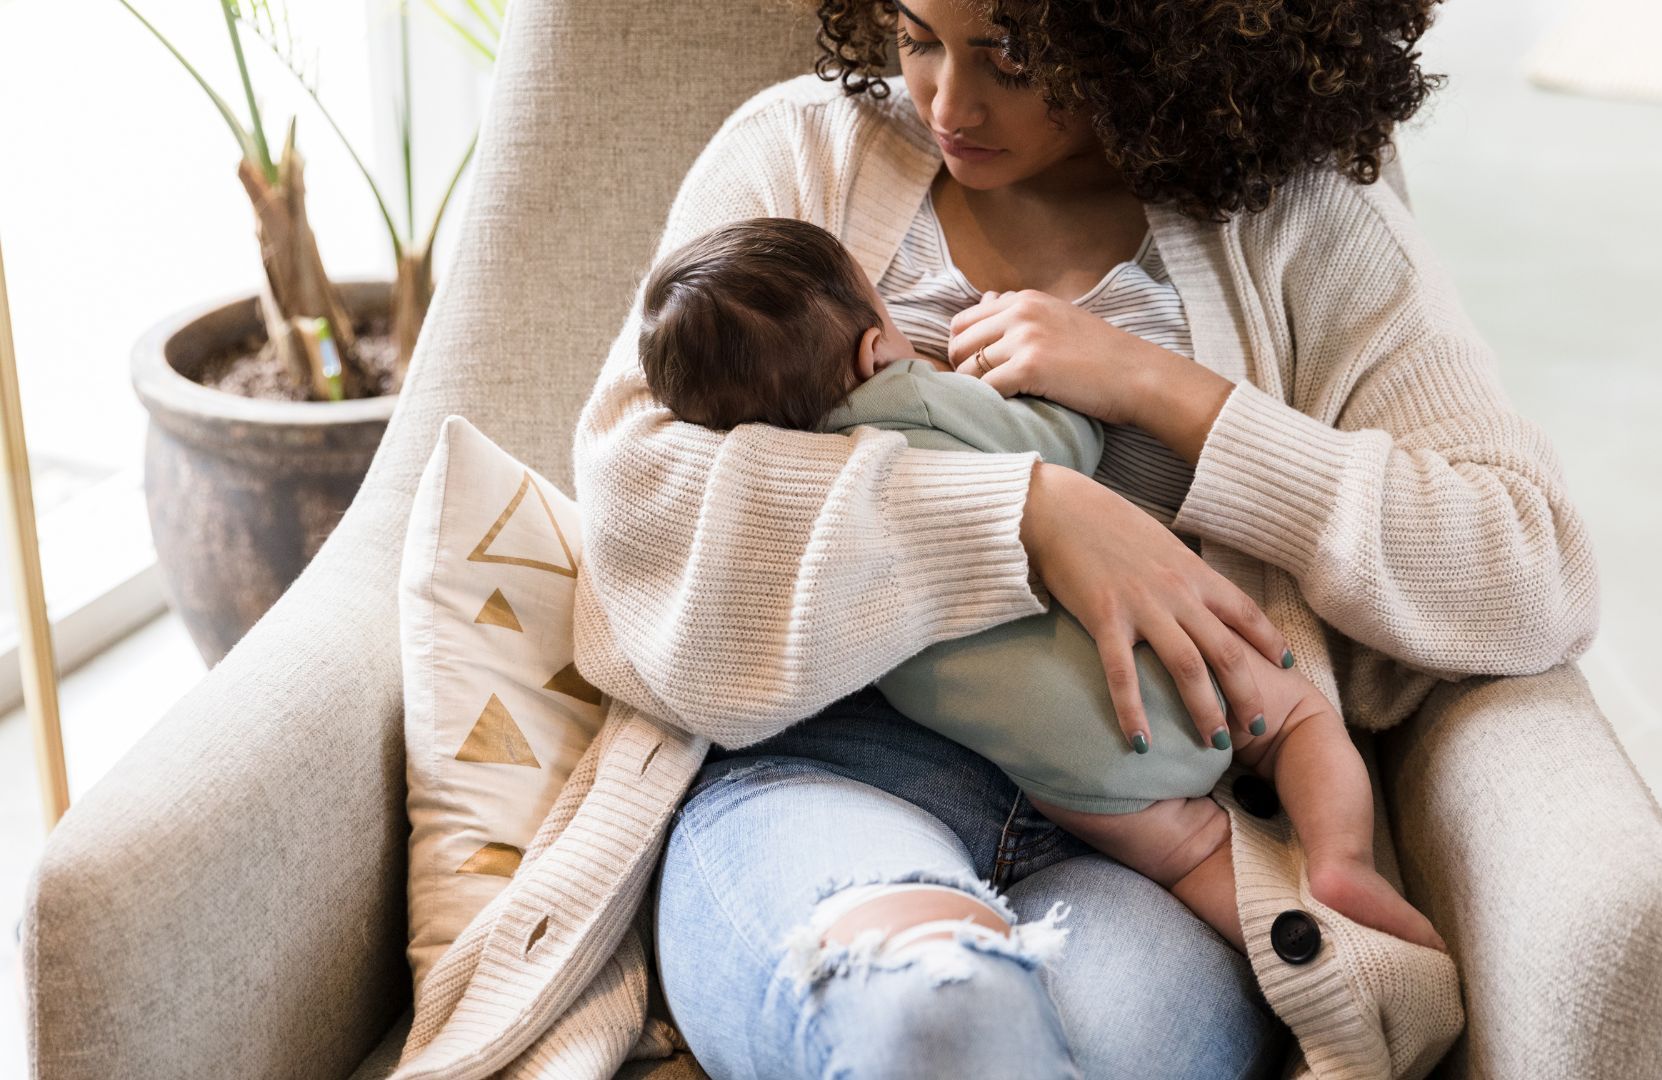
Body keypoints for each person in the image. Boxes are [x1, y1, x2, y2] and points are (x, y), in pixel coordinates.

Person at [569, 0, 1598, 1075]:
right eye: (919, 37)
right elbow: (636, 498)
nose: (949, 103)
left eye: (1012, 56)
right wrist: (1027, 516)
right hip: (828, 771)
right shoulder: (805, 152)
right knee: (934, 1018)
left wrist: (1167, 393)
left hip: (1156, 831)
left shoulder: (1303, 231)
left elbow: (1531, 568)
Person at [631, 213, 1447, 956]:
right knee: (1298, 718)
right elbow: (1062, 445)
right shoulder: (912, 393)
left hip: (1060, 768)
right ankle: (1341, 866)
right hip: (1171, 678)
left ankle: (1285, 932)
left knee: (1189, 851)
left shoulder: (803, 503)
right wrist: (1075, 401)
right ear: (873, 350)